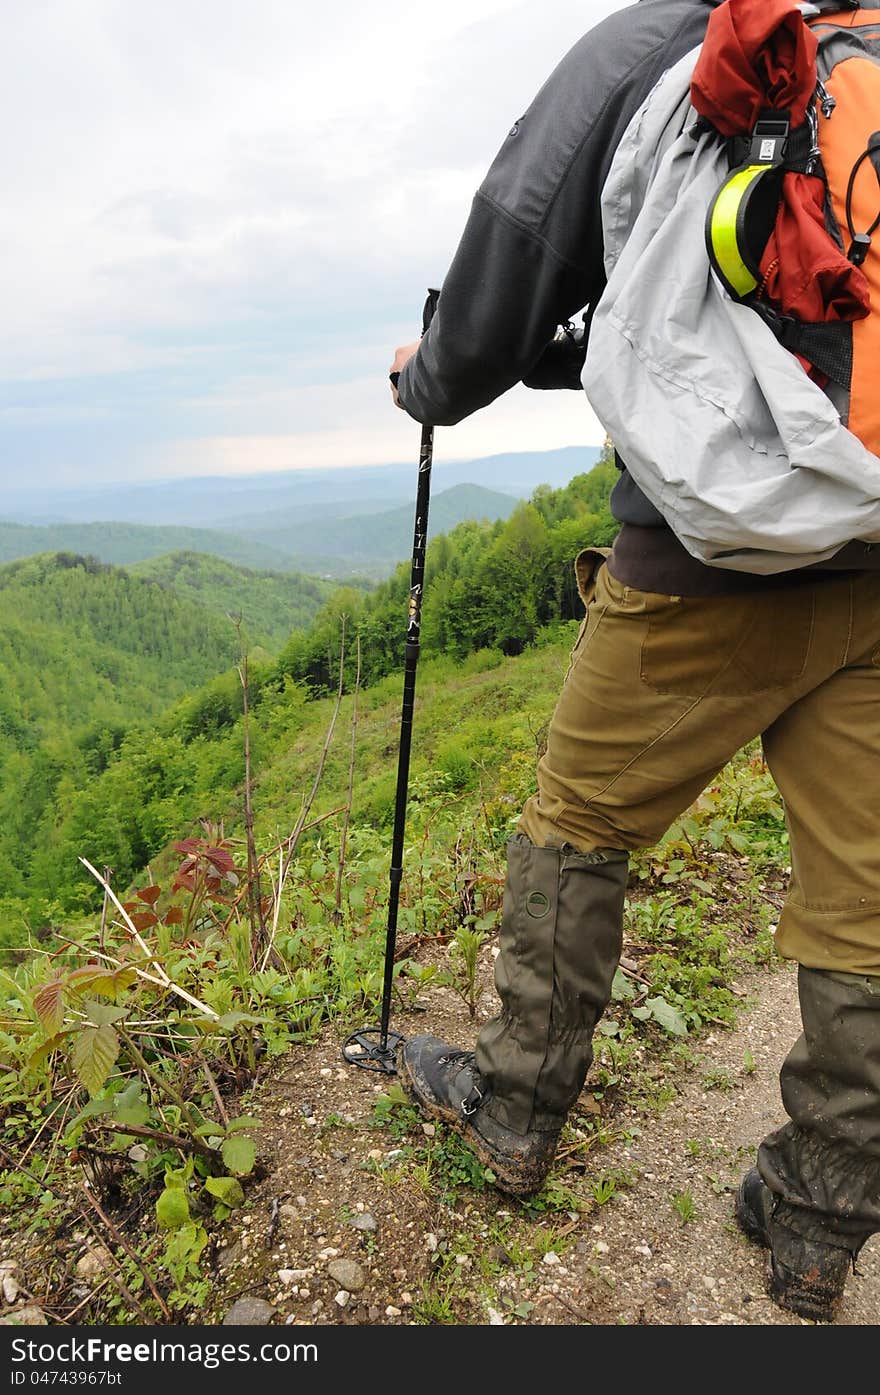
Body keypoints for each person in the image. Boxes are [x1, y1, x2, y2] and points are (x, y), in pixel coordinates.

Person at [388, 0, 880, 1323]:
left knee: (577, 825)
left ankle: (512, 1114)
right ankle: (820, 1216)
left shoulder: (653, 44)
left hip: (700, 564)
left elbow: (507, 270)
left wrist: (426, 381)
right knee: (867, 904)